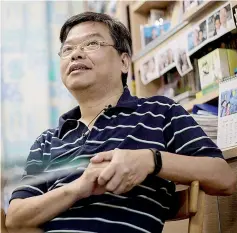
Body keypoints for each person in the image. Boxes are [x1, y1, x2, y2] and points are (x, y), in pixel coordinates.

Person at [6, 12, 236, 233]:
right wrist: (79, 188)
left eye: (91, 44)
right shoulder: (47, 141)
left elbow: (224, 178)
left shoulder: (160, 112)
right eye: (68, 49)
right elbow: (15, 219)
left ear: (124, 62)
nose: (76, 54)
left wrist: (151, 160)